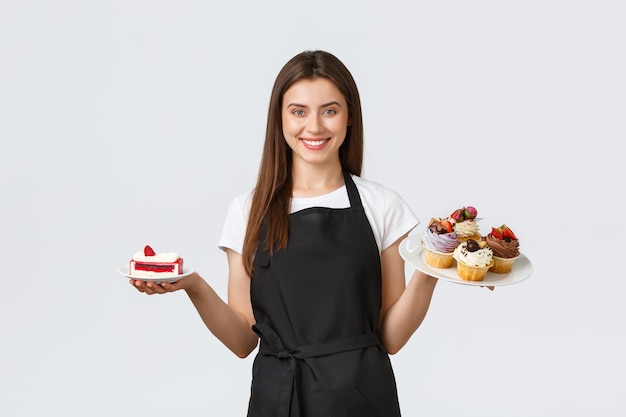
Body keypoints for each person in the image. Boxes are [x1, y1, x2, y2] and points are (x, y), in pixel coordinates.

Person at [131, 50, 439, 417]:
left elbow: (390, 338)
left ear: (350, 116)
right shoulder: (248, 211)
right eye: (298, 111)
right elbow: (243, 340)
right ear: (279, 119)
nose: (314, 127)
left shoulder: (382, 205)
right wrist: (193, 285)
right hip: (278, 400)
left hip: (362, 400)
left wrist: (432, 269)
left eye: (329, 110)